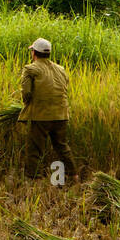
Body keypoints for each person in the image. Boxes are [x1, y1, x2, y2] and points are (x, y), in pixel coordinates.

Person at [19, 37, 77, 183]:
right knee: (62, 146)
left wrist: (28, 105)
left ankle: (33, 180)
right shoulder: (61, 69)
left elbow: (26, 93)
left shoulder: (30, 69)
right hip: (62, 115)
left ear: (34, 53)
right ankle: (73, 176)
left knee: (34, 149)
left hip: (41, 116)